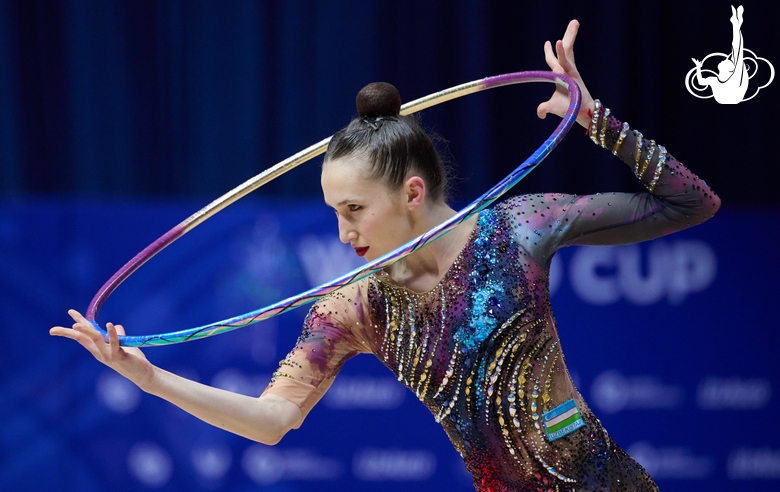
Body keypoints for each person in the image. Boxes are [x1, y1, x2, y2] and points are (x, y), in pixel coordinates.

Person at [52, 20, 720, 491]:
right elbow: (274, 420)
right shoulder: (355, 306)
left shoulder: (517, 229)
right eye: (333, 213)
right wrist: (150, 380)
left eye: (354, 210)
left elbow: (693, 203)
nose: (343, 235)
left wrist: (597, 120)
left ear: (412, 192)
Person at [692, 5, 748, 104]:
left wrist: (698, 68)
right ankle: (736, 24)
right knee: (737, 52)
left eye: (727, 61)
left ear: (729, 69)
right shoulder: (716, 80)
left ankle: (736, 24)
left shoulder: (722, 79)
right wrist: (698, 67)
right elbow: (700, 82)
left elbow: (737, 50)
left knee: (737, 51)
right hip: (731, 96)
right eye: (728, 61)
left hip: (732, 96)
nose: (724, 59)